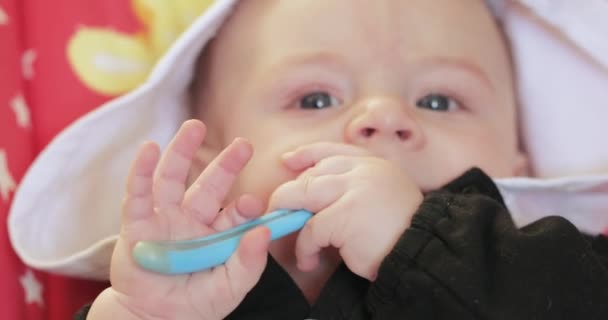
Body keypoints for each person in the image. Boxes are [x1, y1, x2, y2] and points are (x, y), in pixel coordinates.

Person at [79, 0, 608, 319]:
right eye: (315, 99)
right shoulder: (185, 307)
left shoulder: (565, 273)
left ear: (518, 163)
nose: (381, 116)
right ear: (209, 173)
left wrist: (426, 244)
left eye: (439, 101)